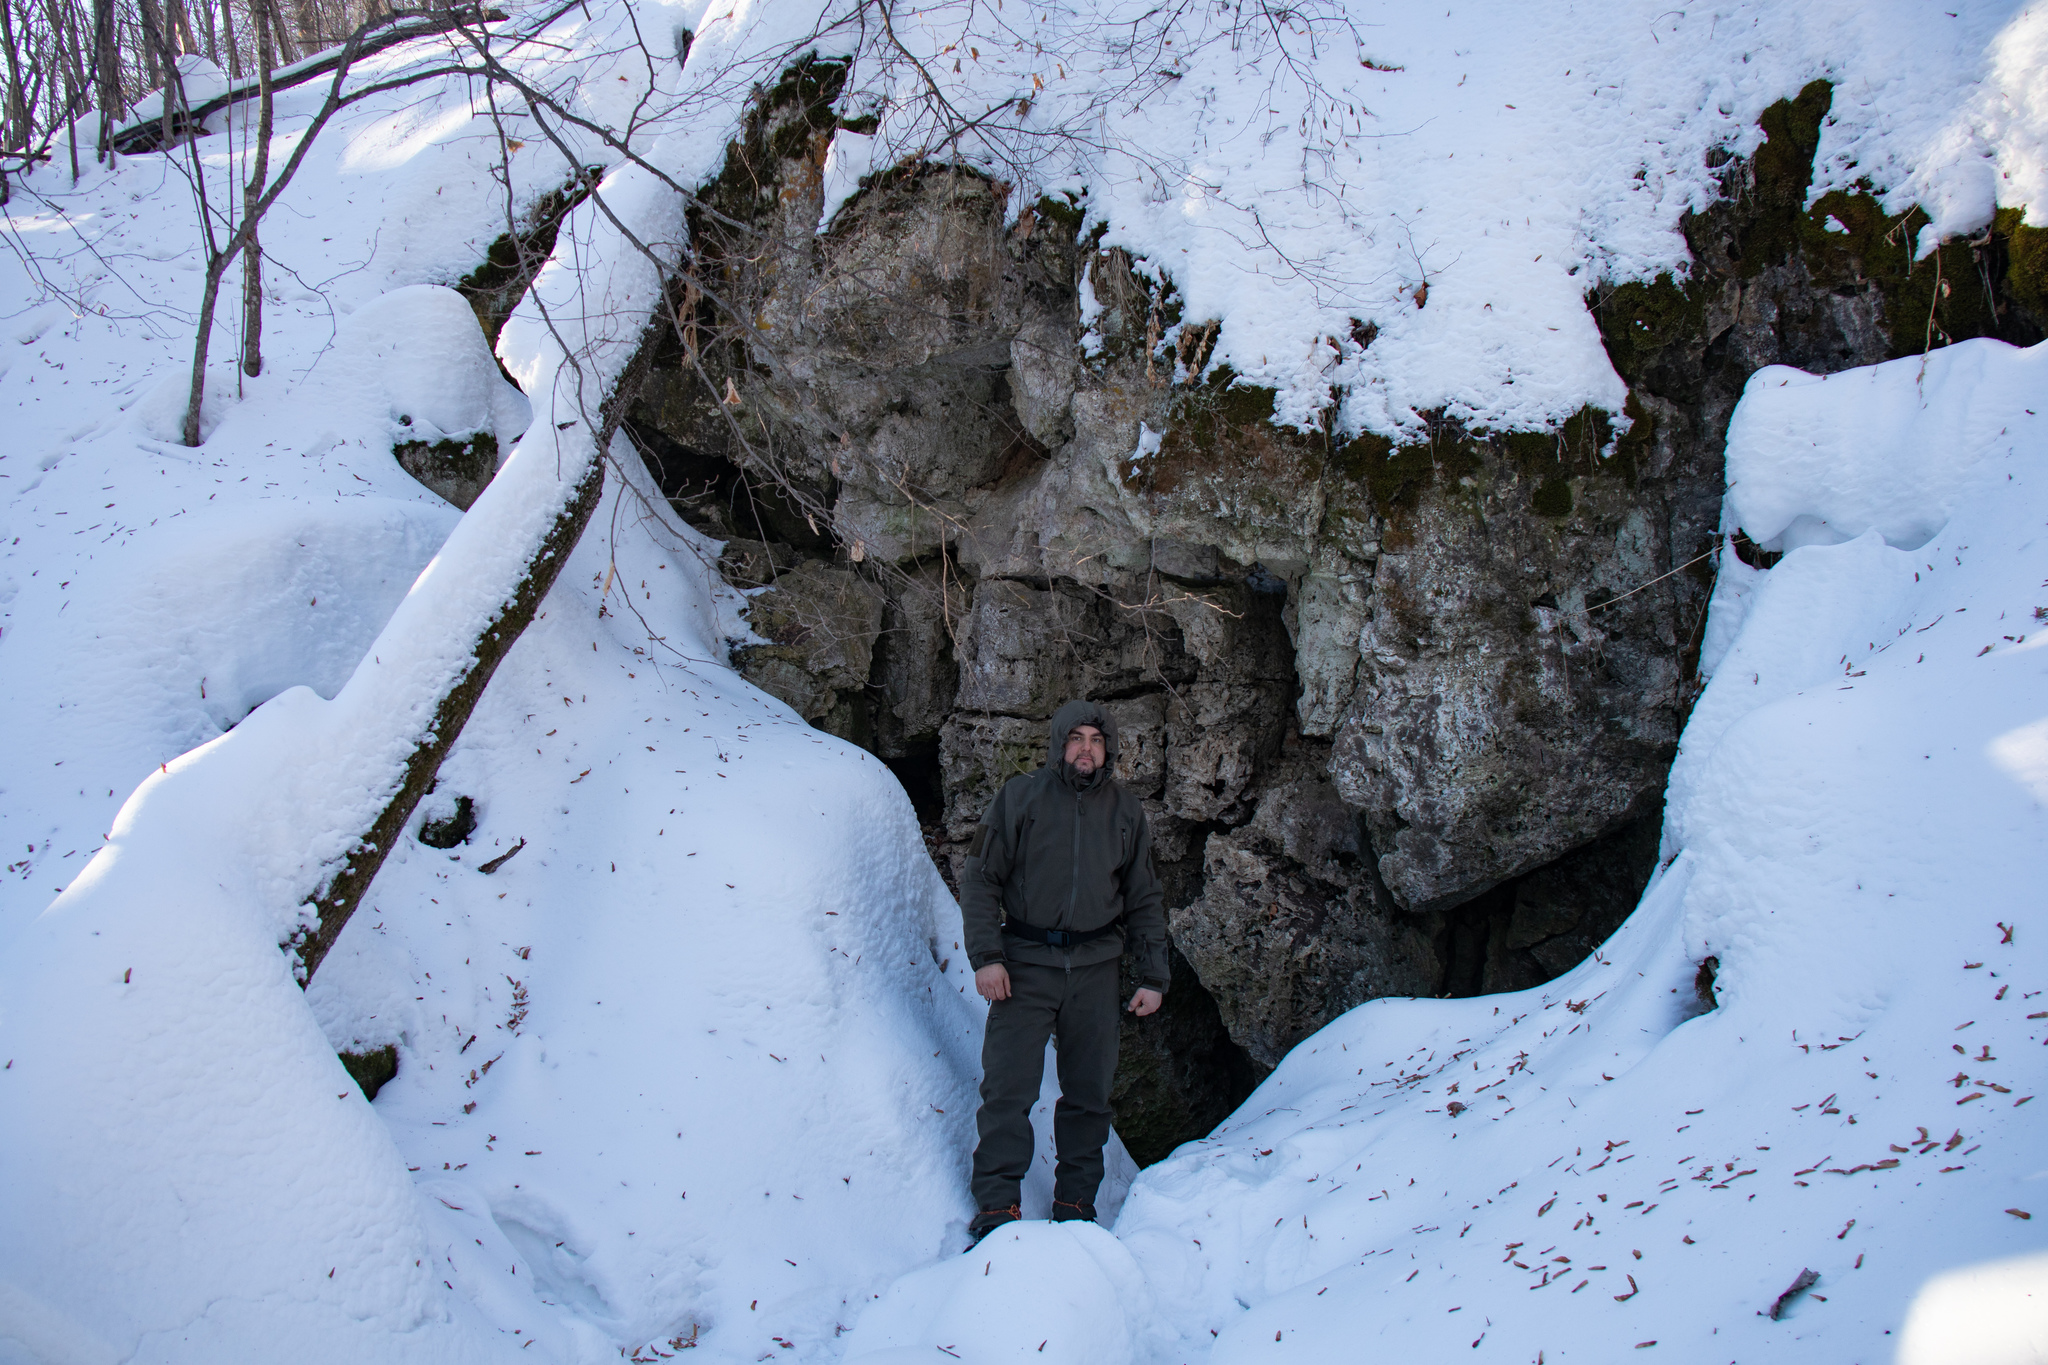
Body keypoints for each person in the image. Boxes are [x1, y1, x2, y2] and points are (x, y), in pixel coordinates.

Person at [958, 698, 1169, 1245]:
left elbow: (1144, 896)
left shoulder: (1125, 811)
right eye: (1075, 738)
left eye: (1095, 740)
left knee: (1089, 1095)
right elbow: (980, 879)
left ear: (1108, 750)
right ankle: (997, 1209)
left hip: (1097, 969)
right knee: (1008, 1091)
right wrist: (988, 957)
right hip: (1024, 964)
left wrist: (1153, 975)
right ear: (1059, 745)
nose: (1085, 749)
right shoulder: (1021, 797)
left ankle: (1075, 1206)